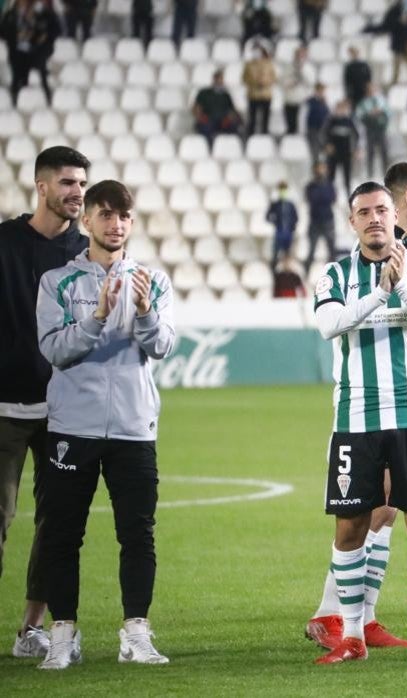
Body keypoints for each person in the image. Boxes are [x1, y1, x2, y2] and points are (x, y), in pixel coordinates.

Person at [308, 181, 407, 664]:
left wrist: (404, 286)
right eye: (364, 212)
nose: (374, 218)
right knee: (350, 528)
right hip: (356, 419)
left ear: (396, 216)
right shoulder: (333, 275)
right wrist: (379, 293)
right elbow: (330, 324)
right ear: (352, 222)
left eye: (381, 210)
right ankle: (352, 636)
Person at [33, 179, 176, 669]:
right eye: (106, 214)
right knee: (62, 534)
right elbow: (53, 350)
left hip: (135, 429)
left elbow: (162, 346)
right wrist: (94, 318)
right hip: (73, 427)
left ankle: (136, 631)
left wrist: (143, 313)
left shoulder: (153, 282)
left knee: (137, 534)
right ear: (87, 220)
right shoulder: (58, 282)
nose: (116, 224)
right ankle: (63, 632)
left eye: (124, 216)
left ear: (131, 224)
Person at [1, 146, 90, 660]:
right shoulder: (5, 243)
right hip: (4, 409)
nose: (77, 192)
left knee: (56, 525)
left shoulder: (86, 253)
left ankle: (31, 630)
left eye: (82, 183)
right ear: (41, 186)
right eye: (67, 183)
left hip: (63, 414)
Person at [2, 0, 60, 105]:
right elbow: (3, 32)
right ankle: (15, 100)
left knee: (41, 76)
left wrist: (42, 37)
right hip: (17, 53)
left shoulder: (43, 13)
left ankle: (47, 97)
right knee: (17, 78)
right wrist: (16, 36)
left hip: (37, 52)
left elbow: (55, 29)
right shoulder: (11, 14)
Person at [366, 1, 407, 86]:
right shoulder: (394, 10)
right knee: (396, 68)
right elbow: (388, 24)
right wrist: (400, 21)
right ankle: (394, 85)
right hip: (398, 43)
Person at [303, 161, 337, 276]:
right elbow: (313, 199)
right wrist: (322, 195)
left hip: (328, 220)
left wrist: (321, 195)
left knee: (332, 251)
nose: (322, 171)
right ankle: (305, 275)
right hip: (315, 222)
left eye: (323, 168)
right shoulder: (310, 186)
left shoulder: (329, 184)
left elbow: (331, 198)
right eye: (319, 168)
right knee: (311, 252)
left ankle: (334, 276)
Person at [192, 70, 242, 147]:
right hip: (208, 120)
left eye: (221, 79)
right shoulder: (204, 93)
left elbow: (232, 110)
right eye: (217, 79)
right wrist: (200, 116)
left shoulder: (226, 95)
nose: (219, 81)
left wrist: (231, 118)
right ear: (213, 80)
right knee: (205, 127)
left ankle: (230, 148)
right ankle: (209, 149)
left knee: (234, 126)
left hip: (223, 121)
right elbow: (196, 107)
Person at [355, 82, 391, 179]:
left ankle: (386, 172)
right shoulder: (363, 102)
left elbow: (388, 113)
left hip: (380, 129)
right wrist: (369, 115)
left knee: (384, 151)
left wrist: (380, 113)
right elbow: (359, 115)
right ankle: (370, 173)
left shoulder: (381, 100)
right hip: (370, 129)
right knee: (370, 152)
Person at [324, 99, 359, 196]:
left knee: (347, 176)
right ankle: (329, 194)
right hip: (333, 153)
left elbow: (356, 135)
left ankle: (349, 194)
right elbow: (324, 134)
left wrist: (355, 149)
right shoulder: (331, 121)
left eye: (343, 108)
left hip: (346, 152)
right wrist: (327, 145)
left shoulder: (349, 121)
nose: (341, 111)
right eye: (339, 108)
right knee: (331, 176)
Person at [242, 43, 276, 138]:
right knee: (252, 118)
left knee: (265, 118)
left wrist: (265, 82)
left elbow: (273, 78)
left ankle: (264, 135)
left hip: (266, 95)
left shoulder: (269, 64)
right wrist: (254, 82)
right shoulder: (249, 64)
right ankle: (250, 136)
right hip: (253, 95)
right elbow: (244, 79)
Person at [282, 45, 313, 137]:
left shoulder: (308, 68)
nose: (300, 57)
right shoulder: (288, 66)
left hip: (302, 100)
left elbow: (310, 82)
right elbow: (283, 81)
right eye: (298, 55)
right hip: (289, 99)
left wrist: (302, 70)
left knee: (301, 126)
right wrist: (291, 82)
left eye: (302, 55)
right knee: (290, 125)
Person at [266, 182, 298, 272]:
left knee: (287, 254)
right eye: (281, 190)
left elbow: (296, 217)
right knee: (275, 254)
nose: (283, 192)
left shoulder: (291, 205)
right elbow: (268, 217)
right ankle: (273, 272)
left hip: (288, 232)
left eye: (284, 190)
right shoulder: (275, 204)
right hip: (279, 232)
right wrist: (275, 222)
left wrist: (292, 227)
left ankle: (286, 273)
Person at [304, 82, 330, 161]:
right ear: (316, 90)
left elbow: (327, 116)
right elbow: (303, 116)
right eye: (320, 90)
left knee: (325, 150)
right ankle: (316, 169)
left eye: (323, 90)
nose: (322, 92)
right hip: (312, 129)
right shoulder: (309, 101)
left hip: (323, 129)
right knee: (315, 151)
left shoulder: (325, 102)